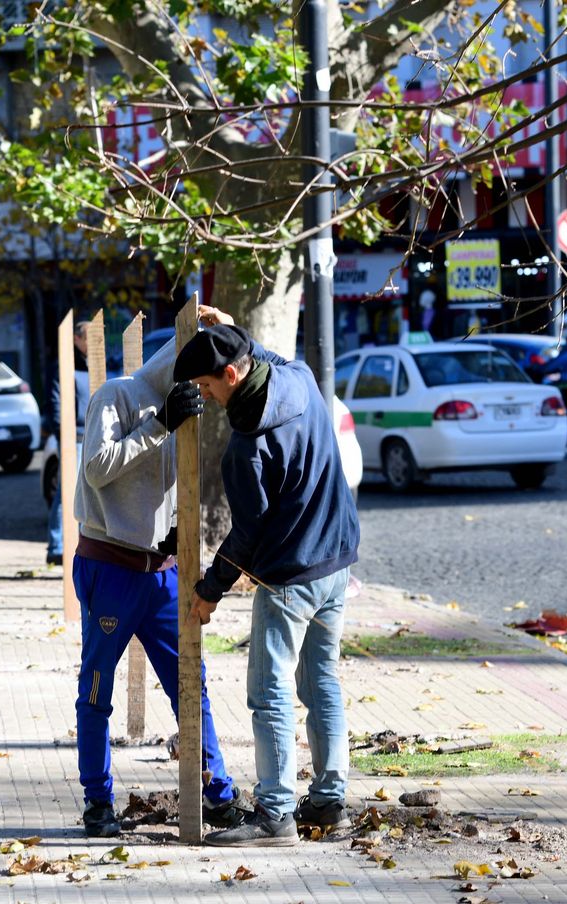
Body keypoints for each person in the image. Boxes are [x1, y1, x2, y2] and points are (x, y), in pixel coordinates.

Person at [173, 324, 360, 848]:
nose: (204, 397)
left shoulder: (246, 448)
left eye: (207, 387)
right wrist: (229, 325)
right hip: (338, 564)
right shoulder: (299, 379)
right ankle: (328, 802)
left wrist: (209, 589)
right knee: (321, 682)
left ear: (232, 374)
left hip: (291, 581)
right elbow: (265, 354)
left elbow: (248, 535)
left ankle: (275, 813)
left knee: (269, 692)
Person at [70, 318, 254, 838]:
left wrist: (175, 531)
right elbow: (98, 469)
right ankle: (97, 801)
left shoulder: (186, 409)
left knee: (190, 685)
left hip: (161, 572)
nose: (205, 392)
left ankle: (218, 795)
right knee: (96, 688)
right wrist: (157, 427)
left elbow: (173, 483)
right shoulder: (116, 396)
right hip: (110, 566)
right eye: (200, 379)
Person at [44, 320, 90, 566]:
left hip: (92, 438)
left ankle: (81, 545)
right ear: (76, 339)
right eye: (89, 337)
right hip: (74, 439)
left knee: (87, 496)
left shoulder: (96, 366)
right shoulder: (64, 368)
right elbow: (55, 404)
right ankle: (57, 547)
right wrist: (65, 438)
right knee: (66, 494)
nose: (95, 342)